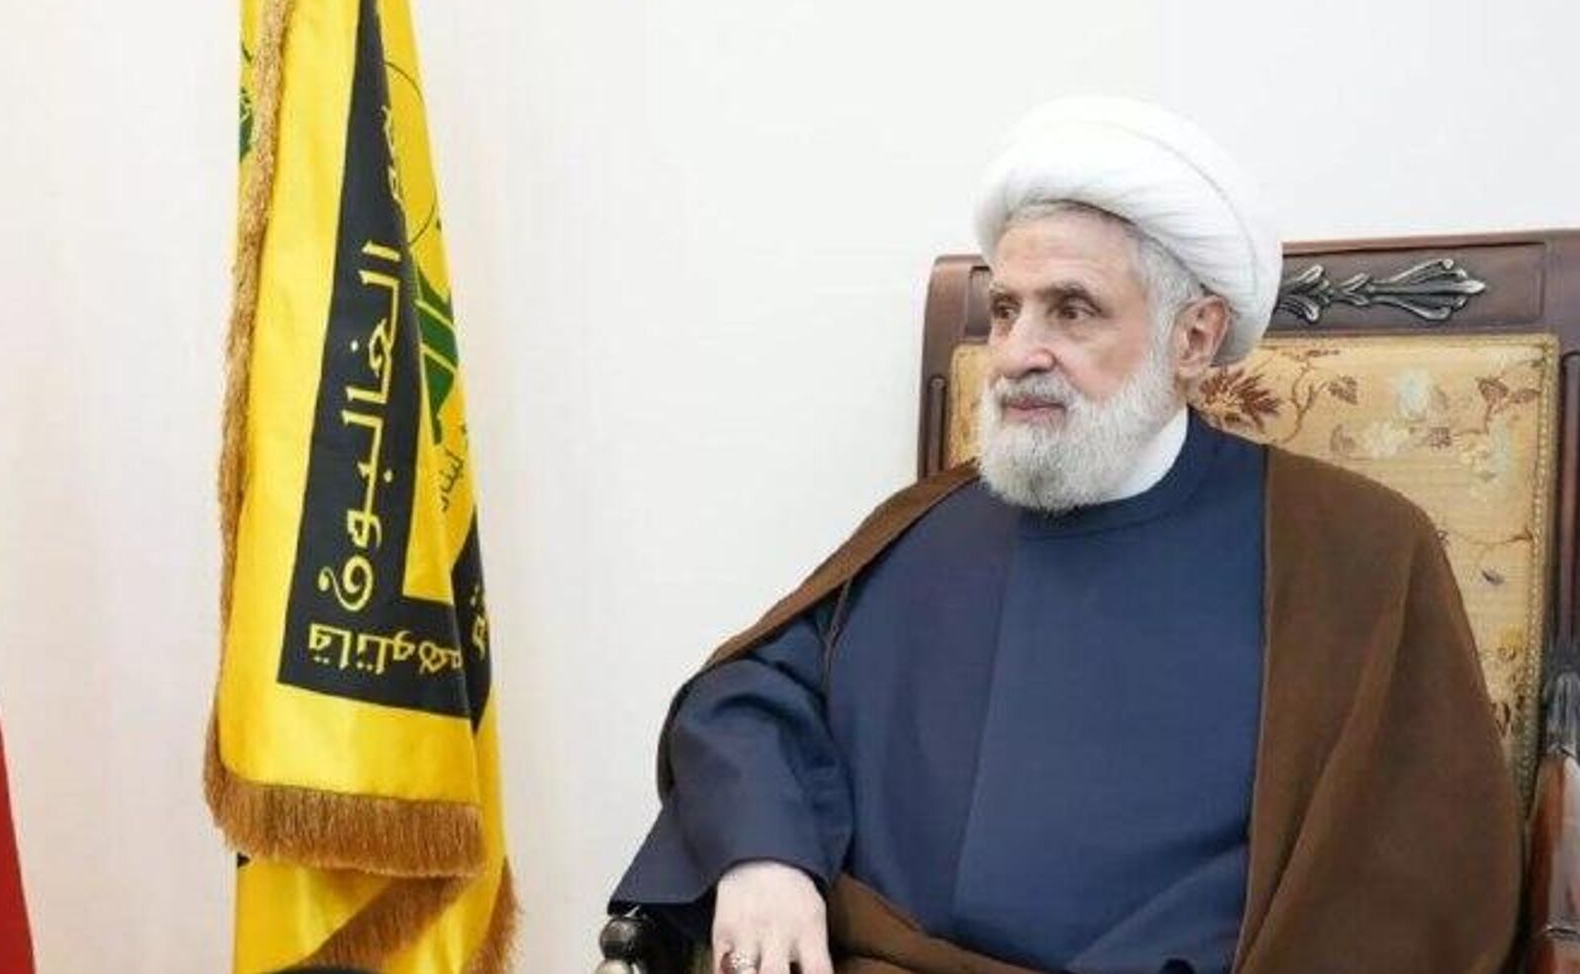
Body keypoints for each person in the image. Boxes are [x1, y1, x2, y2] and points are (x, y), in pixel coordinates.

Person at [608, 97, 1521, 974]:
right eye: (1007, 309)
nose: (1014, 354)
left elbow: (1412, 873)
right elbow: (750, 693)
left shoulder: (1355, 550)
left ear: (1194, 338)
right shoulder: (930, 524)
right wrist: (765, 856)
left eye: (1072, 310)